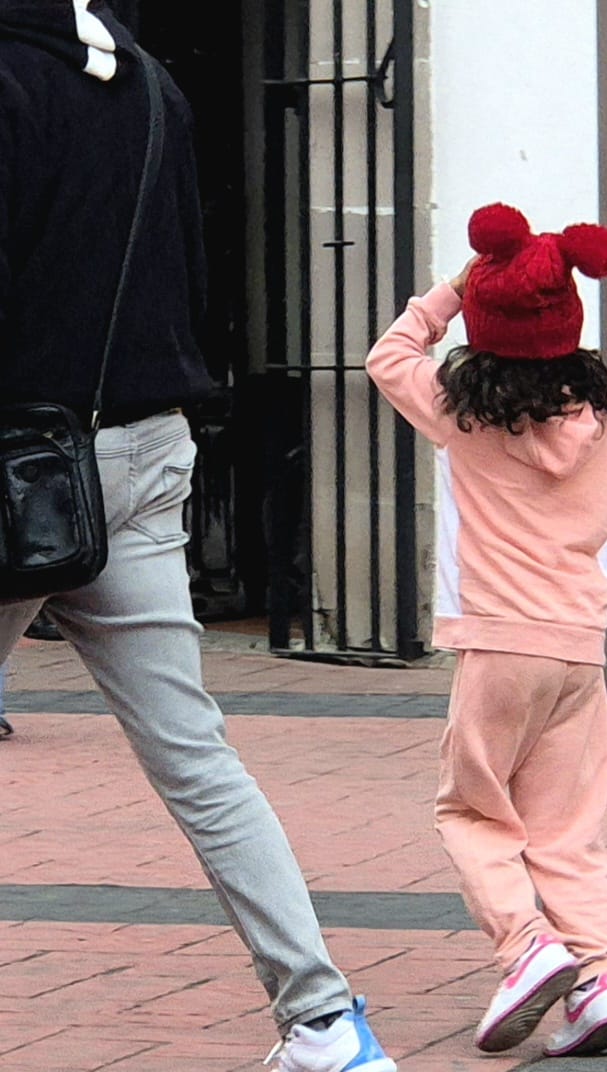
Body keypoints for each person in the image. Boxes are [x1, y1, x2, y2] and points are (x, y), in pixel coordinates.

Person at [0, 5, 396, 1070]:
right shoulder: (148, 83)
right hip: (143, 444)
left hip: (21, 465)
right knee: (196, 756)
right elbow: (195, 265)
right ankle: (325, 1021)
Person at [365, 202, 607, 1057]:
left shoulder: (459, 410)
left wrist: (454, 287)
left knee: (472, 810)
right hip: (577, 652)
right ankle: (598, 978)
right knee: (566, 828)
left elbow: (389, 355)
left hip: (496, 643)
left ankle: (526, 948)